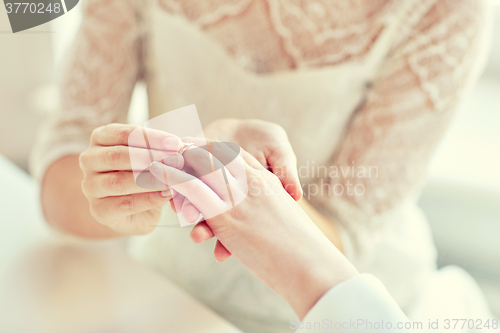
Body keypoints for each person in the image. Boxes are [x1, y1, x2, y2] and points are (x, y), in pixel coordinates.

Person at [31, 0, 494, 332]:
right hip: (166, 290)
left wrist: (222, 169)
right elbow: (60, 179)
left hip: (342, 304)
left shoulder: (448, 8)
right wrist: (153, 176)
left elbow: (347, 236)